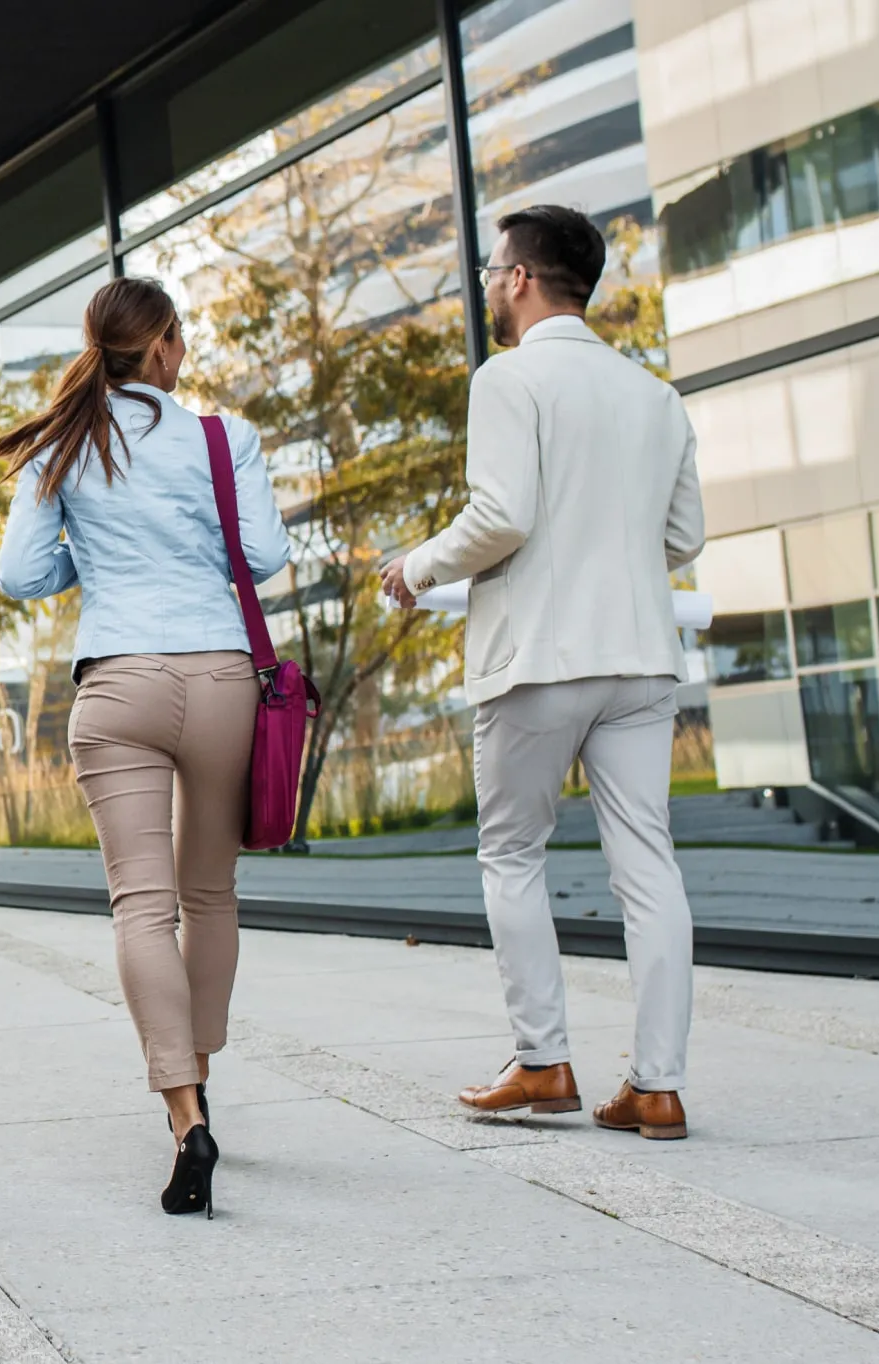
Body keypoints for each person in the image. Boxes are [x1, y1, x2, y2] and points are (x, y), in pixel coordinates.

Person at [379, 204, 705, 1140]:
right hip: (641, 660)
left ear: (520, 279)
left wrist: (419, 565)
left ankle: (543, 1062)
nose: (487, 285)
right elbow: (683, 538)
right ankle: (658, 1086)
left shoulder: (509, 379)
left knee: (513, 855)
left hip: (539, 662)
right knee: (648, 867)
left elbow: (502, 515)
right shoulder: (656, 398)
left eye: (492, 271)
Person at [0, 277, 285, 1216]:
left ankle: (184, 1113)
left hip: (119, 682)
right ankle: (201, 1068)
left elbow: (22, 572)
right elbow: (267, 557)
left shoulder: (65, 443)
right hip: (221, 677)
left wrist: (94, 550)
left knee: (142, 908)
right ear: (160, 349)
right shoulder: (220, 437)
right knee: (210, 894)